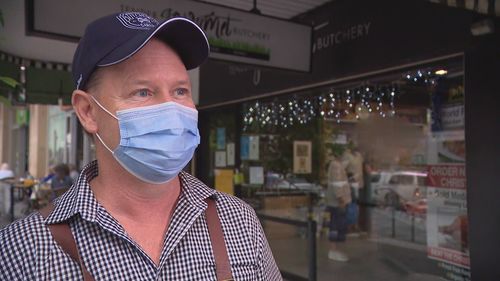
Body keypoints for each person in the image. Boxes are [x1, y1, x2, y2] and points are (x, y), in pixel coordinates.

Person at [0, 12, 281, 280]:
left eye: (180, 91)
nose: (170, 109)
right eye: (143, 92)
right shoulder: (23, 249)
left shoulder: (238, 222)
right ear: (87, 111)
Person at [325, 151, 352, 262]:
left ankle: (335, 250)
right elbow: (337, 184)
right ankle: (333, 250)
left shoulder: (337, 165)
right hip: (337, 203)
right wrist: (341, 199)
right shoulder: (336, 165)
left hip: (337, 202)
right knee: (336, 226)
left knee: (336, 226)